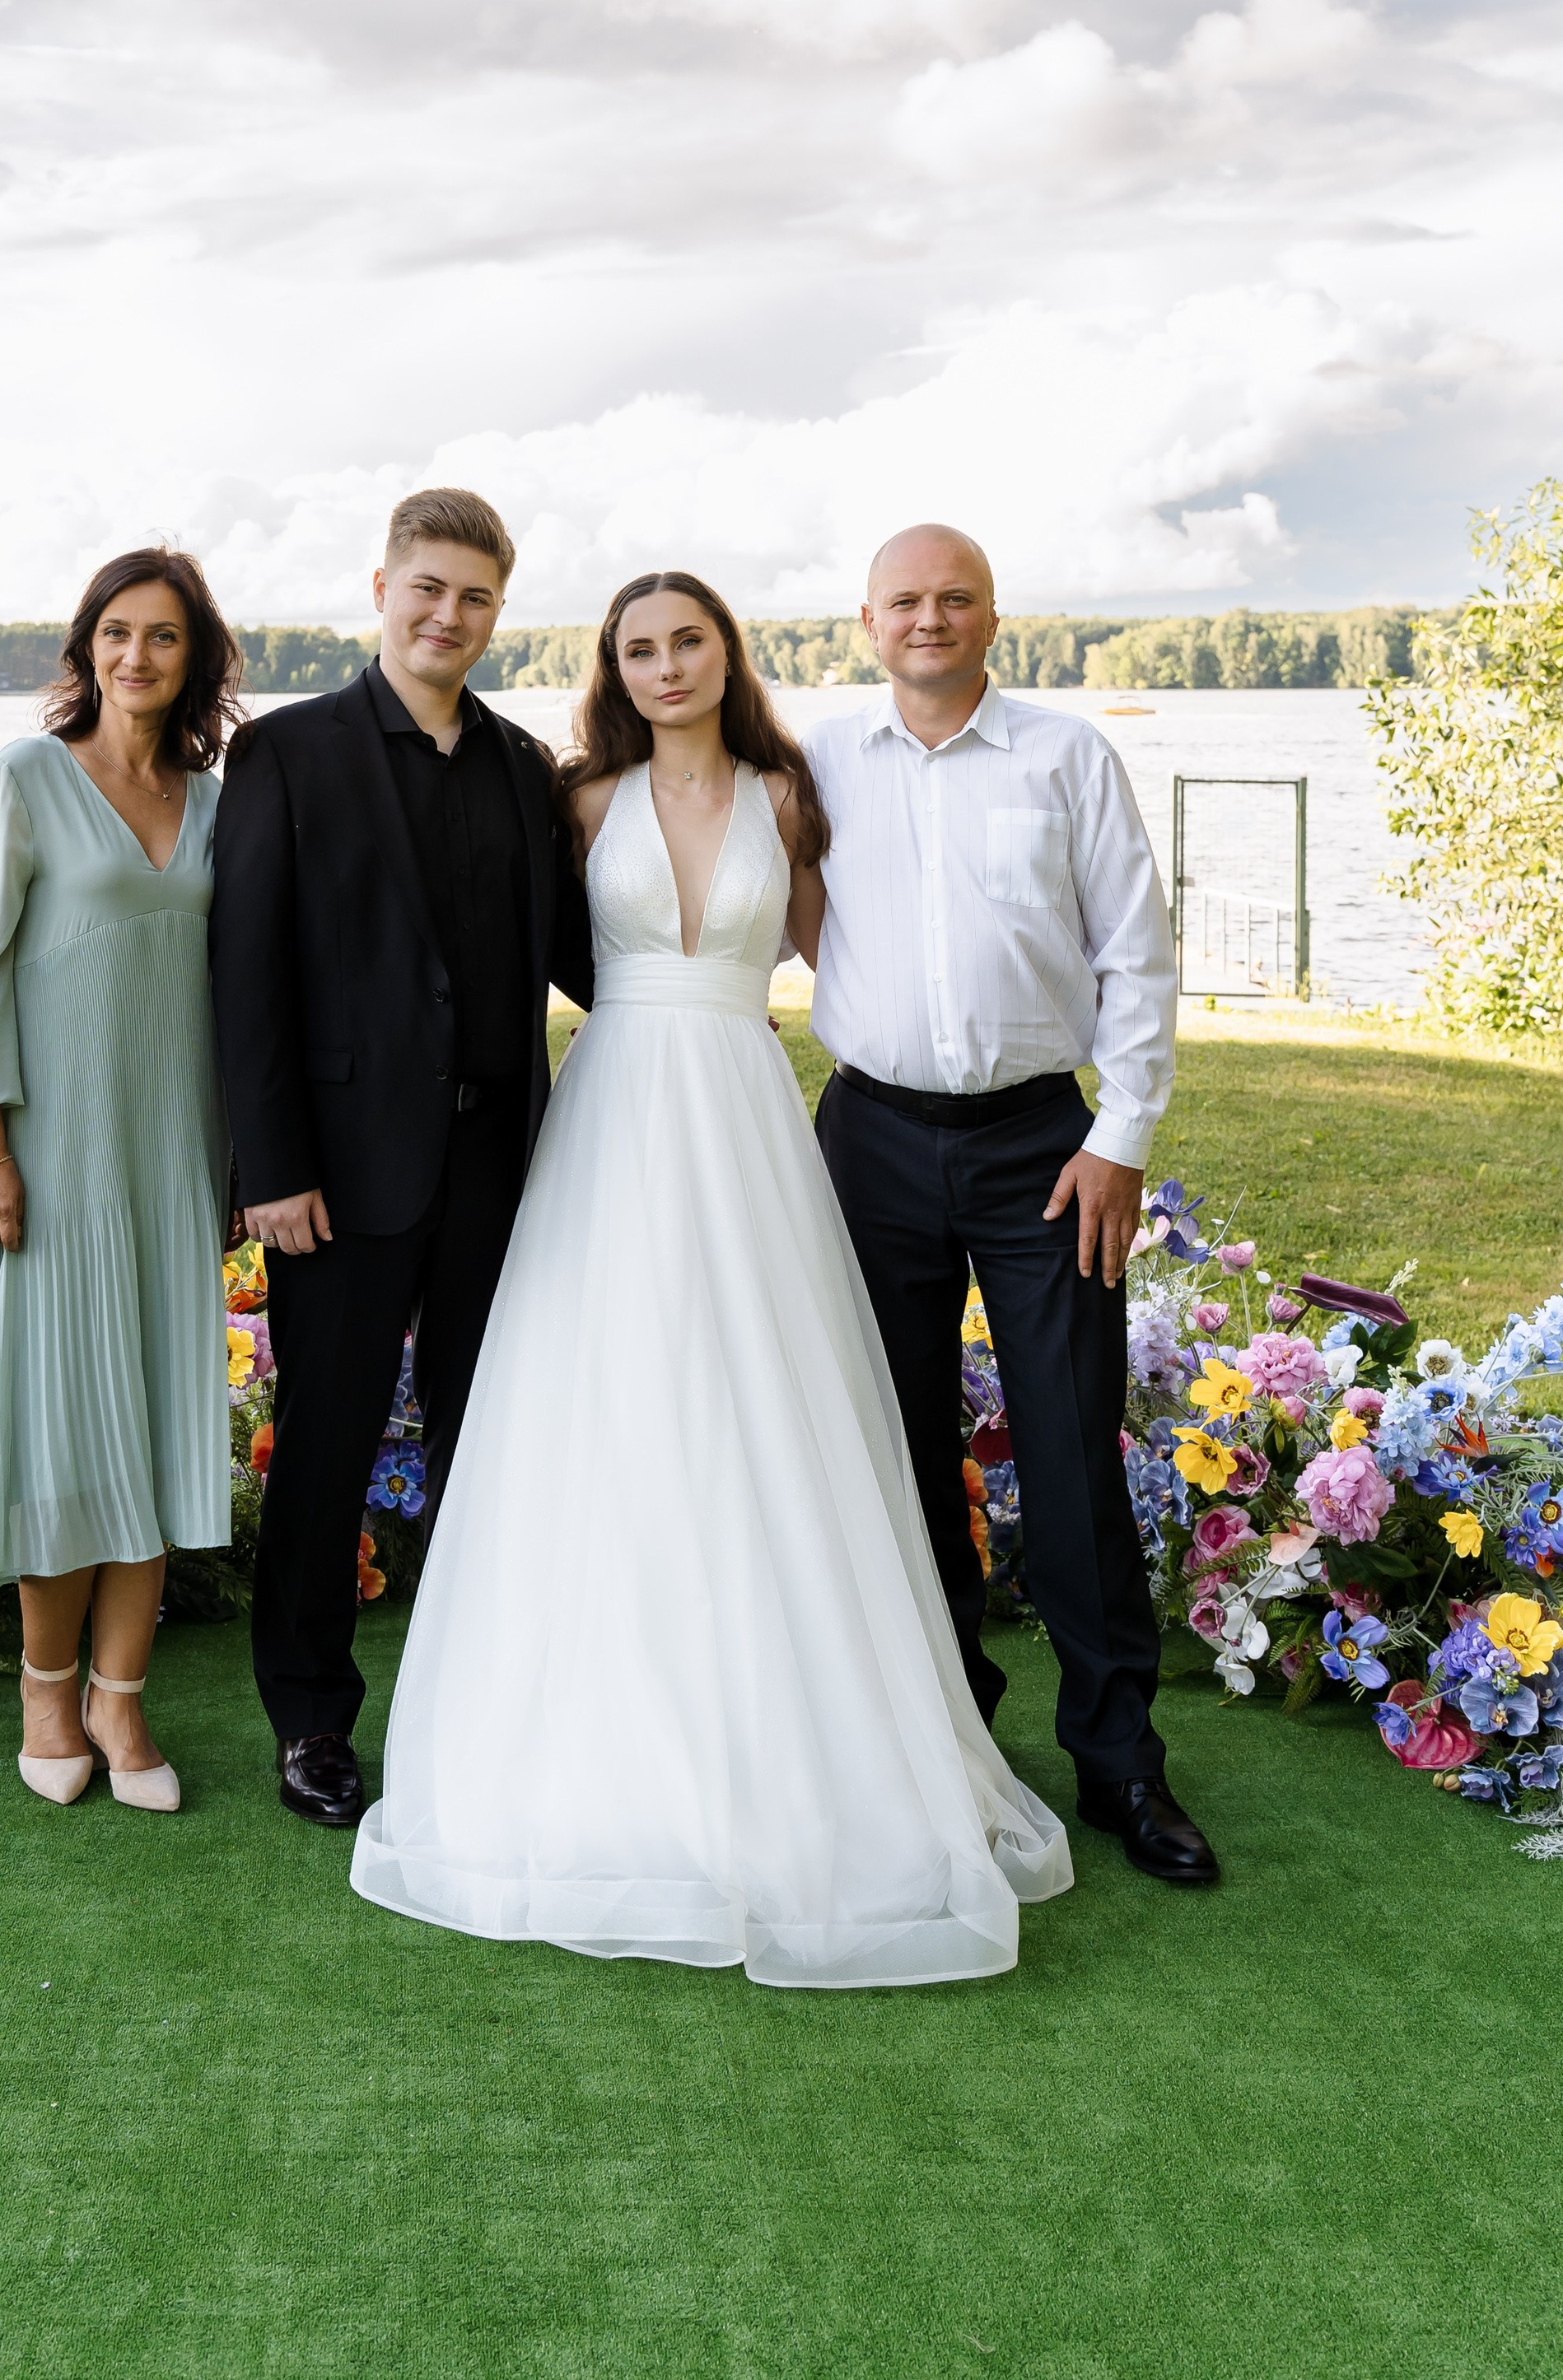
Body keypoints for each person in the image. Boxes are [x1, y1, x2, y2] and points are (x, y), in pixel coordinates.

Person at [349, 571, 1071, 1987]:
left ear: (725, 655)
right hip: (614, 1111)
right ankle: (595, 1744)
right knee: (605, 1397)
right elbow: (516, 955)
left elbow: (860, 950)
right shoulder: (577, 803)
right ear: (612, 671)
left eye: (689, 642)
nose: (667, 664)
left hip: (743, 1110)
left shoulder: (793, 795)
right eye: (639, 648)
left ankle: (817, 1744)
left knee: (766, 1403)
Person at [808, 523, 1215, 1887]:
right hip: (868, 1138)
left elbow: (1139, 960)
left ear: (994, 618)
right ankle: (946, 1738)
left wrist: (1122, 1137)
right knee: (902, 1450)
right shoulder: (818, 766)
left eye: (956, 600)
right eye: (906, 601)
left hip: (1045, 1149)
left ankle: (1120, 1765)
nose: (930, 620)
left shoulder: (1065, 756)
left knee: (1069, 1446)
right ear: (867, 621)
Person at [209, 487, 595, 1829]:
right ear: (381, 589)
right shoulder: (287, 757)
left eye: (476, 597)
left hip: (501, 1175)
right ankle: (312, 1716)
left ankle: (473, 1699)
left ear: (499, 611)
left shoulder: (522, 768)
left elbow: (588, 960)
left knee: (488, 1441)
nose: (450, 616)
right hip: (338, 1179)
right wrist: (272, 1167)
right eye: (427, 588)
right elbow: (245, 978)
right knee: (326, 1447)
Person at [0, 546, 241, 1814]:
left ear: (196, 660)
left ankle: (121, 1701)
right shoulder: (27, 778)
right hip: (52, 1156)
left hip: (176, 1153)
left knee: (153, 1417)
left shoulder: (219, 800)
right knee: (61, 1423)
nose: (138, 655)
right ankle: (45, 1684)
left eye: (165, 637)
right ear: (86, 649)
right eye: (117, 633)